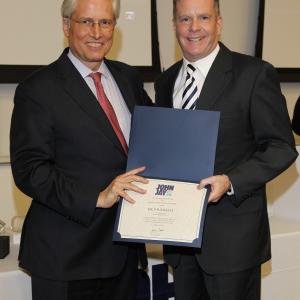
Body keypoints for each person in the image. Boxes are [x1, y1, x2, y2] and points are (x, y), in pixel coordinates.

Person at [154, 0, 298, 299]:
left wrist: (231, 181)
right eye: (185, 19)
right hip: (180, 241)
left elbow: (281, 147)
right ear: (174, 26)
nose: (194, 28)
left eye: (203, 18)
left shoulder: (254, 74)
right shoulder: (167, 81)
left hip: (233, 244)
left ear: (219, 22)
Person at [10, 0, 152, 299]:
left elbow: (154, 141)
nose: (97, 32)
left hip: (123, 253)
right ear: (66, 26)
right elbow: (30, 170)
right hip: (66, 258)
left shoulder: (128, 78)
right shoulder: (37, 89)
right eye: (86, 22)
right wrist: (97, 198)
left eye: (106, 23)